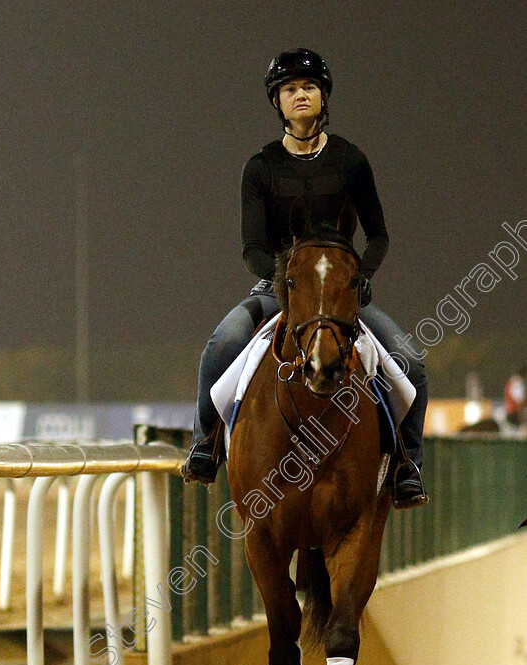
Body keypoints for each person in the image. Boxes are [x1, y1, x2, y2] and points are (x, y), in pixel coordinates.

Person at [181, 48, 428, 508]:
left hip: (341, 293)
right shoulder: (260, 168)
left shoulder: (352, 161)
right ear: (277, 101)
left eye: (309, 87)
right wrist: (281, 280)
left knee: (410, 363)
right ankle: (203, 445)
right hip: (281, 290)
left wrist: (363, 276)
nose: (300, 95)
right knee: (221, 344)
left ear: (323, 97)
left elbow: (378, 235)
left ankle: (407, 466)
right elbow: (253, 247)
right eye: (290, 89)